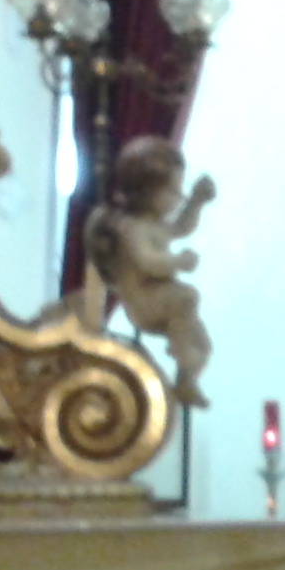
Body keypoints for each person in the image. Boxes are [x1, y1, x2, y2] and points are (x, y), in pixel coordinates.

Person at [83, 137, 217, 408]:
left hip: (164, 301)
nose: (177, 198)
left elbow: (181, 228)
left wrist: (196, 202)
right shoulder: (131, 227)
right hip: (145, 302)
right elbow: (147, 261)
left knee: (203, 348)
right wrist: (177, 262)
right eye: (172, 192)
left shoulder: (154, 223)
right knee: (187, 296)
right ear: (144, 191)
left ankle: (186, 380)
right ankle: (180, 352)